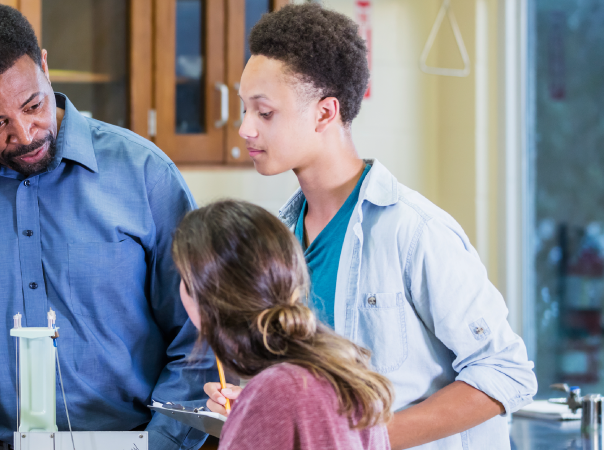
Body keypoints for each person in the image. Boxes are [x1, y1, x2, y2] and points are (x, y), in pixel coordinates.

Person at [0, 4, 211, 450]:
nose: (26, 134)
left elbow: (202, 340)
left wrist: (158, 444)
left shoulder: (145, 176)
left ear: (44, 67)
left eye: (34, 105)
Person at [204, 4, 537, 449]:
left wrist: (363, 438)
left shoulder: (415, 231)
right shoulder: (279, 240)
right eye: (244, 109)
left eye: (264, 113)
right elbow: (316, 397)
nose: (245, 128)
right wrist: (259, 402)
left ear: (325, 113)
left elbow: (506, 372)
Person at [174, 199, 393, 449]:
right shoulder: (344, 370)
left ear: (205, 296)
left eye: (183, 276)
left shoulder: (274, 393)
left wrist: (256, 414)